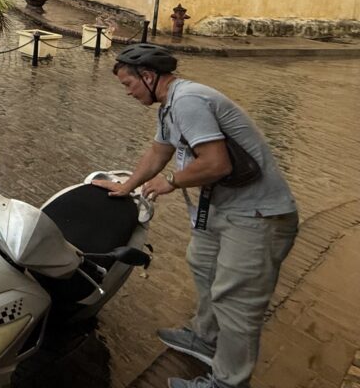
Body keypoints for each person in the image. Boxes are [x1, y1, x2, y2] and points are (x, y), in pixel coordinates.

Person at [93, 43, 297, 388]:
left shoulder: (188, 100)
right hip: (222, 209)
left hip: (257, 216)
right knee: (203, 264)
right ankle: (206, 337)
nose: (127, 92)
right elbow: (159, 152)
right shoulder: (169, 107)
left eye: (128, 84)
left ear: (148, 76)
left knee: (236, 301)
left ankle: (228, 382)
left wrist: (171, 181)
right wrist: (127, 186)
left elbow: (217, 163)